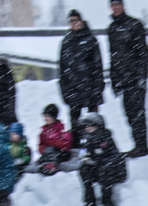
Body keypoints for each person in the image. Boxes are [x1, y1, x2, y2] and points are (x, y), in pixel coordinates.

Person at [107, 0, 148, 157]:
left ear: (123, 6)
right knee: (129, 113)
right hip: (122, 79)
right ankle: (137, 144)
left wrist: (141, 76)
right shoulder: (112, 29)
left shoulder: (134, 25)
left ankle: (142, 146)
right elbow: (112, 56)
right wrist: (114, 80)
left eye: (118, 4)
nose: (116, 7)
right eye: (113, 5)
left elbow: (143, 52)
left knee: (138, 113)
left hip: (135, 77)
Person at [59, 9, 106, 143]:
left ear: (82, 21)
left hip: (90, 87)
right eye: (72, 21)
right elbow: (62, 69)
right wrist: (64, 90)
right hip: (73, 89)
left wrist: (98, 88)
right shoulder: (66, 42)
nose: (75, 23)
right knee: (75, 123)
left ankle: (96, 146)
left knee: (93, 121)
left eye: (77, 20)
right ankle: (77, 147)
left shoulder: (91, 40)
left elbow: (98, 66)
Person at [75, 112, 127, 206]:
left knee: (105, 170)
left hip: (111, 171)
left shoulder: (106, 138)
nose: (88, 129)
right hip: (97, 168)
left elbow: (115, 156)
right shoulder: (87, 139)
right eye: (86, 127)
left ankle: (107, 203)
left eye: (91, 127)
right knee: (83, 169)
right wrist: (86, 159)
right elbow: (84, 153)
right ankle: (90, 202)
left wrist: (100, 160)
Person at [24, 104, 81, 174]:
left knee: (55, 154)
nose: (45, 119)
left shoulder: (61, 129)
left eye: (47, 116)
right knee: (44, 157)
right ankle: (43, 165)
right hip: (48, 153)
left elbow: (66, 144)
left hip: (61, 153)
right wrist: (44, 148)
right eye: (45, 116)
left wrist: (53, 144)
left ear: (53, 117)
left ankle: (50, 166)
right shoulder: (44, 131)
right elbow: (40, 145)